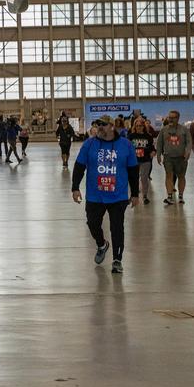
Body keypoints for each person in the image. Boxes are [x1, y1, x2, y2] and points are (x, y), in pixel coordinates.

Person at [71, 116, 140, 273]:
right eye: (97, 124)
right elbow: (80, 166)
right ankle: (102, 244)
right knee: (92, 224)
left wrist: (135, 193)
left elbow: (133, 171)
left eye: (103, 124)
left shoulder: (126, 145)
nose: (99, 127)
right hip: (95, 195)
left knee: (117, 228)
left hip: (118, 195)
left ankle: (117, 260)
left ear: (112, 126)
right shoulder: (89, 144)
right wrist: (75, 187)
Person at [155, 110, 192, 205]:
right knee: (169, 176)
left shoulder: (184, 129)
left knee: (181, 176)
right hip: (168, 157)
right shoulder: (164, 130)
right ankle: (169, 196)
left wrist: (187, 152)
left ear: (178, 118)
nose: (170, 119)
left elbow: (189, 142)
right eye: (169, 117)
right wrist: (158, 155)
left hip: (181, 158)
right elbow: (159, 143)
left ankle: (181, 196)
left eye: (173, 117)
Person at [127, 115, 156, 206]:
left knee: (144, 178)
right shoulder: (131, 136)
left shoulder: (148, 136)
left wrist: (153, 152)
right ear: (135, 126)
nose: (139, 127)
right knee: (133, 178)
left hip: (145, 160)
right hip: (133, 160)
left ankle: (145, 196)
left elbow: (152, 147)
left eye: (141, 126)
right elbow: (126, 147)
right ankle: (133, 195)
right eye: (137, 126)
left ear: (144, 126)